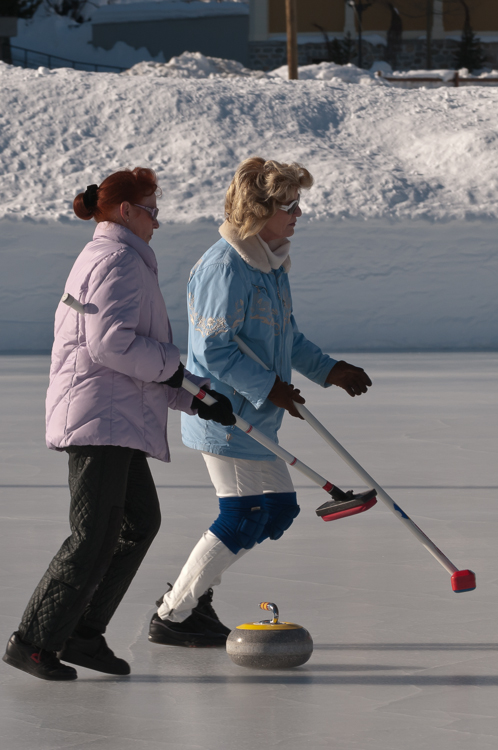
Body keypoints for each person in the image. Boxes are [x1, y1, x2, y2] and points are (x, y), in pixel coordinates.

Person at [2, 167, 234, 681]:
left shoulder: (114, 258)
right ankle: (35, 640)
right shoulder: (118, 261)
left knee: (136, 523)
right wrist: (179, 373)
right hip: (100, 418)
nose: (158, 221)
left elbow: (130, 351)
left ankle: (82, 633)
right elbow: (111, 345)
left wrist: (195, 396)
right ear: (126, 212)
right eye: (152, 210)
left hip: (113, 412)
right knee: (93, 534)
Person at [149, 157, 372, 648]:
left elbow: (286, 338)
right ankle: (174, 613)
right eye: (289, 205)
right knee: (243, 514)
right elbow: (213, 349)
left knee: (276, 511)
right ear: (258, 210)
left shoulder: (271, 264)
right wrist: (268, 387)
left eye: (298, 203)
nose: (298, 213)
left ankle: (195, 591)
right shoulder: (224, 267)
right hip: (224, 415)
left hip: (257, 416)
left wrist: (330, 370)